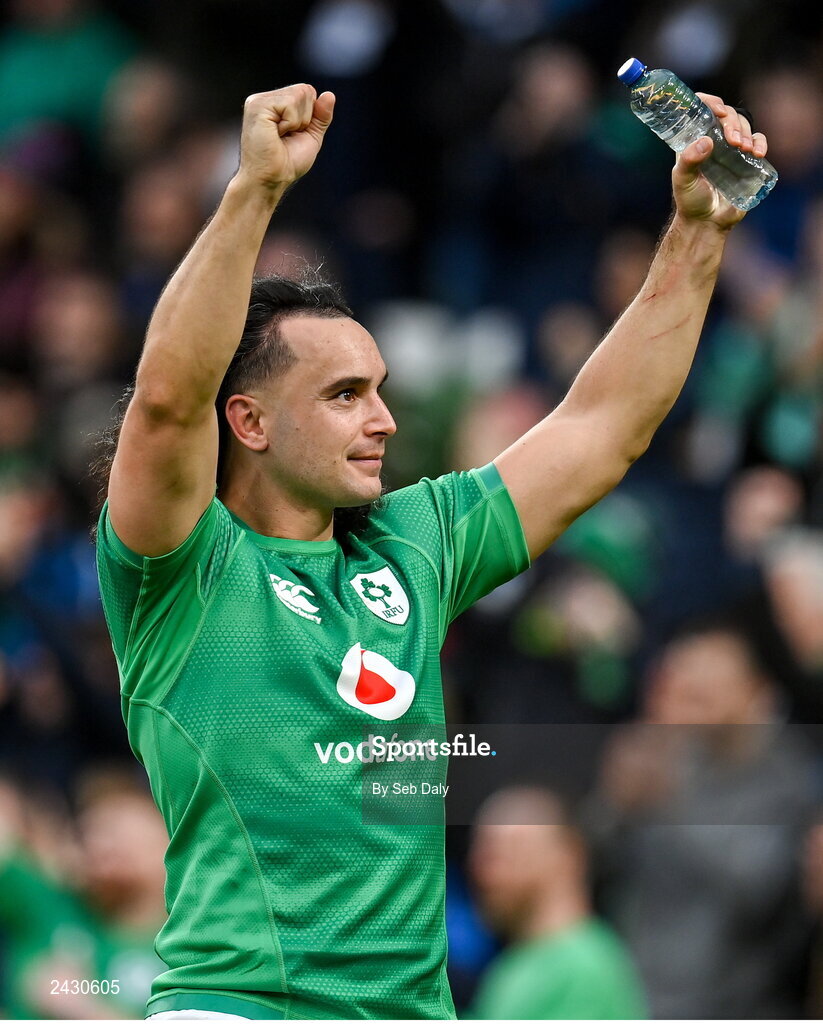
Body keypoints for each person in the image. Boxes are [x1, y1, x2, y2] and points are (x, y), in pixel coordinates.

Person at [94, 82, 766, 1019]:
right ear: (246, 422)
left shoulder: (413, 542)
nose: (384, 420)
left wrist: (698, 230)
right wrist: (253, 191)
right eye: (344, 396)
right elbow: (169, 400)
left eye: (379, 389)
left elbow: (602, 426)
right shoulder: (179, 568)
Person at [467, 785, 646, 1019]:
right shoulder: (513, 964)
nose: (483, 873)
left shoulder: (581, 968)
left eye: (500, 854)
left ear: (569, 855)